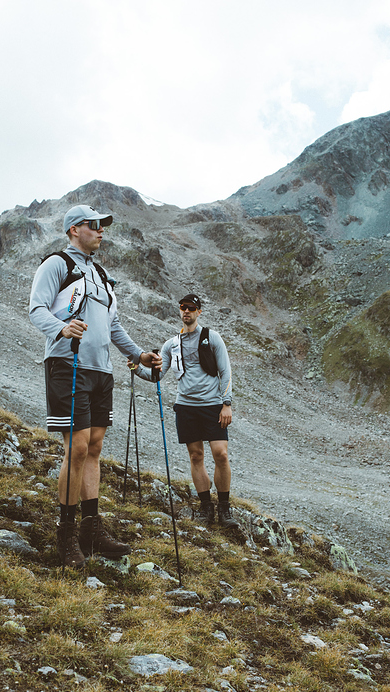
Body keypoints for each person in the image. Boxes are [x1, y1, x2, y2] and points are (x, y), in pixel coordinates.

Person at [29, 204, 162, 568]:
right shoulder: (57, 263)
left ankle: (91, 530)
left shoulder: (101, 274)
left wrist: (139, 355)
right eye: (94, 225)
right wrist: (61, 327)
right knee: (77, 446)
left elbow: (113, 325)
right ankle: (66, 535)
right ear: (74, 229)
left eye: (103, 226)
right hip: (67, 363)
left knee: (95, 448)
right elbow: (36, 308)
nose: (101, 231)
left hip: (101, 371)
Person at [154, 294, 239, 529]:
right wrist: (136, 366)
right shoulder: (171, 344)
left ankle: (224, 507)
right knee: (195, 456)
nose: (186, 312)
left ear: (199, 311)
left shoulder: (212, 337)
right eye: (183, 308)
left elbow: (225, 371)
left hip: (213, 405)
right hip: (186, 406)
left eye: (191, 308)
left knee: (220, 454)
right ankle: (205, 507)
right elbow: (158, 374)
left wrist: (227, 403)